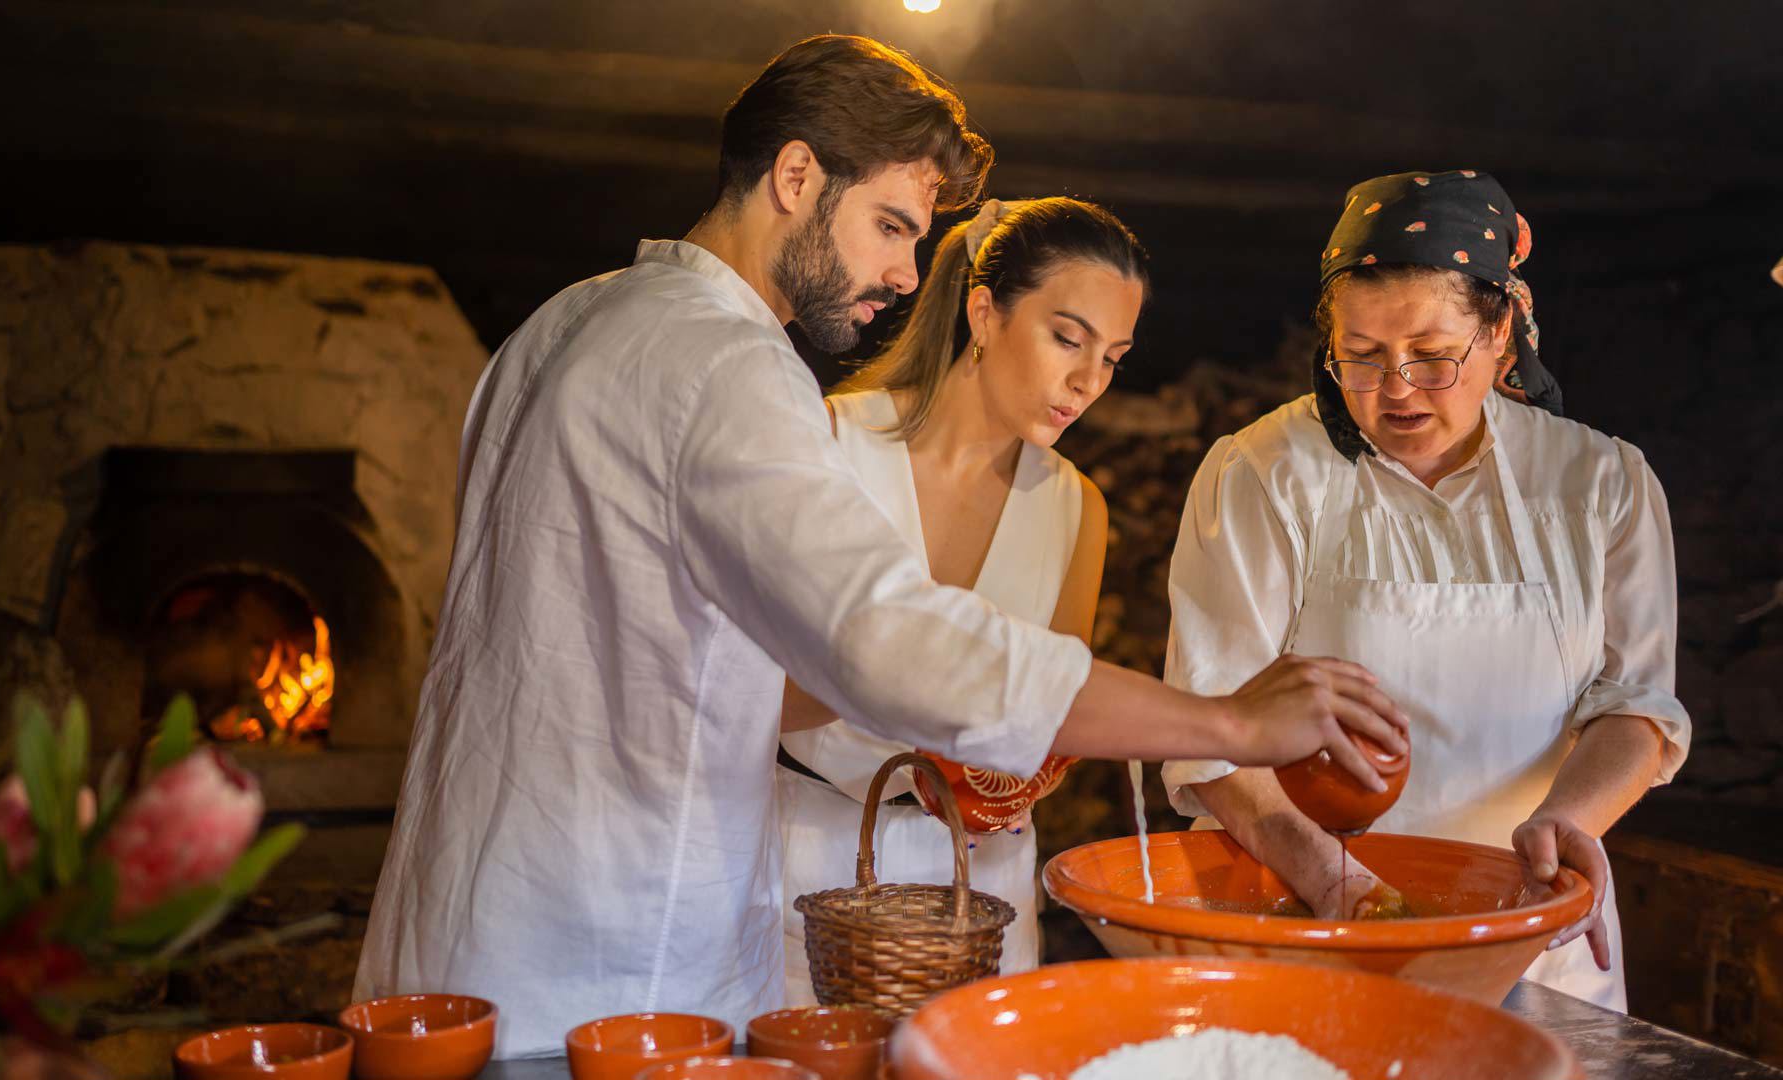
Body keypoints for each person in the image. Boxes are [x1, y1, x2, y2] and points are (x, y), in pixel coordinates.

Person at [354, 35, 1407, 1059]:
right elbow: (887, 640)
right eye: (892, 227)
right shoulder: (730, 364)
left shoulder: (556, 326)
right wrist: (1224, 719)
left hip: (452, 935)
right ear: (797, 176)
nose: (910, 275)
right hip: (610, 963)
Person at [1153, 169, 1690, 1009]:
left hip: (1533, 935)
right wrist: (1334, 880)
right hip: (1313, 924)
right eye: (1361, 356)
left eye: (1433, 357)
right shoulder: (1264, 471)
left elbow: (1637, 707)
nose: (1395, 389)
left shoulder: (1601, 481)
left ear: (1503, 333)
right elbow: (1208, 728)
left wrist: (1571, 821)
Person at [777, 196, 1144, 998]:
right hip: (808, 857)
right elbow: (742, 684)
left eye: (1113, 357)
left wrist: (1013, 775)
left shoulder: (1076, 506)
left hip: (979, 882)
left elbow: (1051, 720)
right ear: (984, 313)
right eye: (1067, 339)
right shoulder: (829, 443)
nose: (1089, 382)